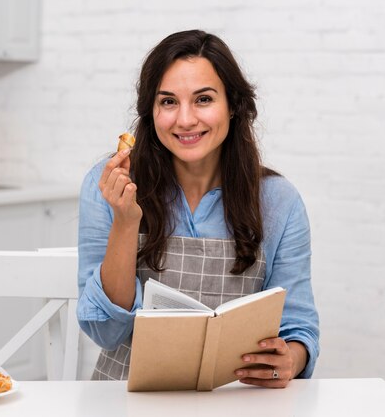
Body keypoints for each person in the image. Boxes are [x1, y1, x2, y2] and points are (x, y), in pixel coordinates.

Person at [76, 30, 319, 388]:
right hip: (123, 396)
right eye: (169, 102)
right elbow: (106, 331)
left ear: (233, 105)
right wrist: (125, 223)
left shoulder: (279, 200)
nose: (185, 119)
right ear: (151, 111)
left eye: (203, 99)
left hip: (236, 397)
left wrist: (290, 359)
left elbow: (298, 328)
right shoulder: (110, 185)